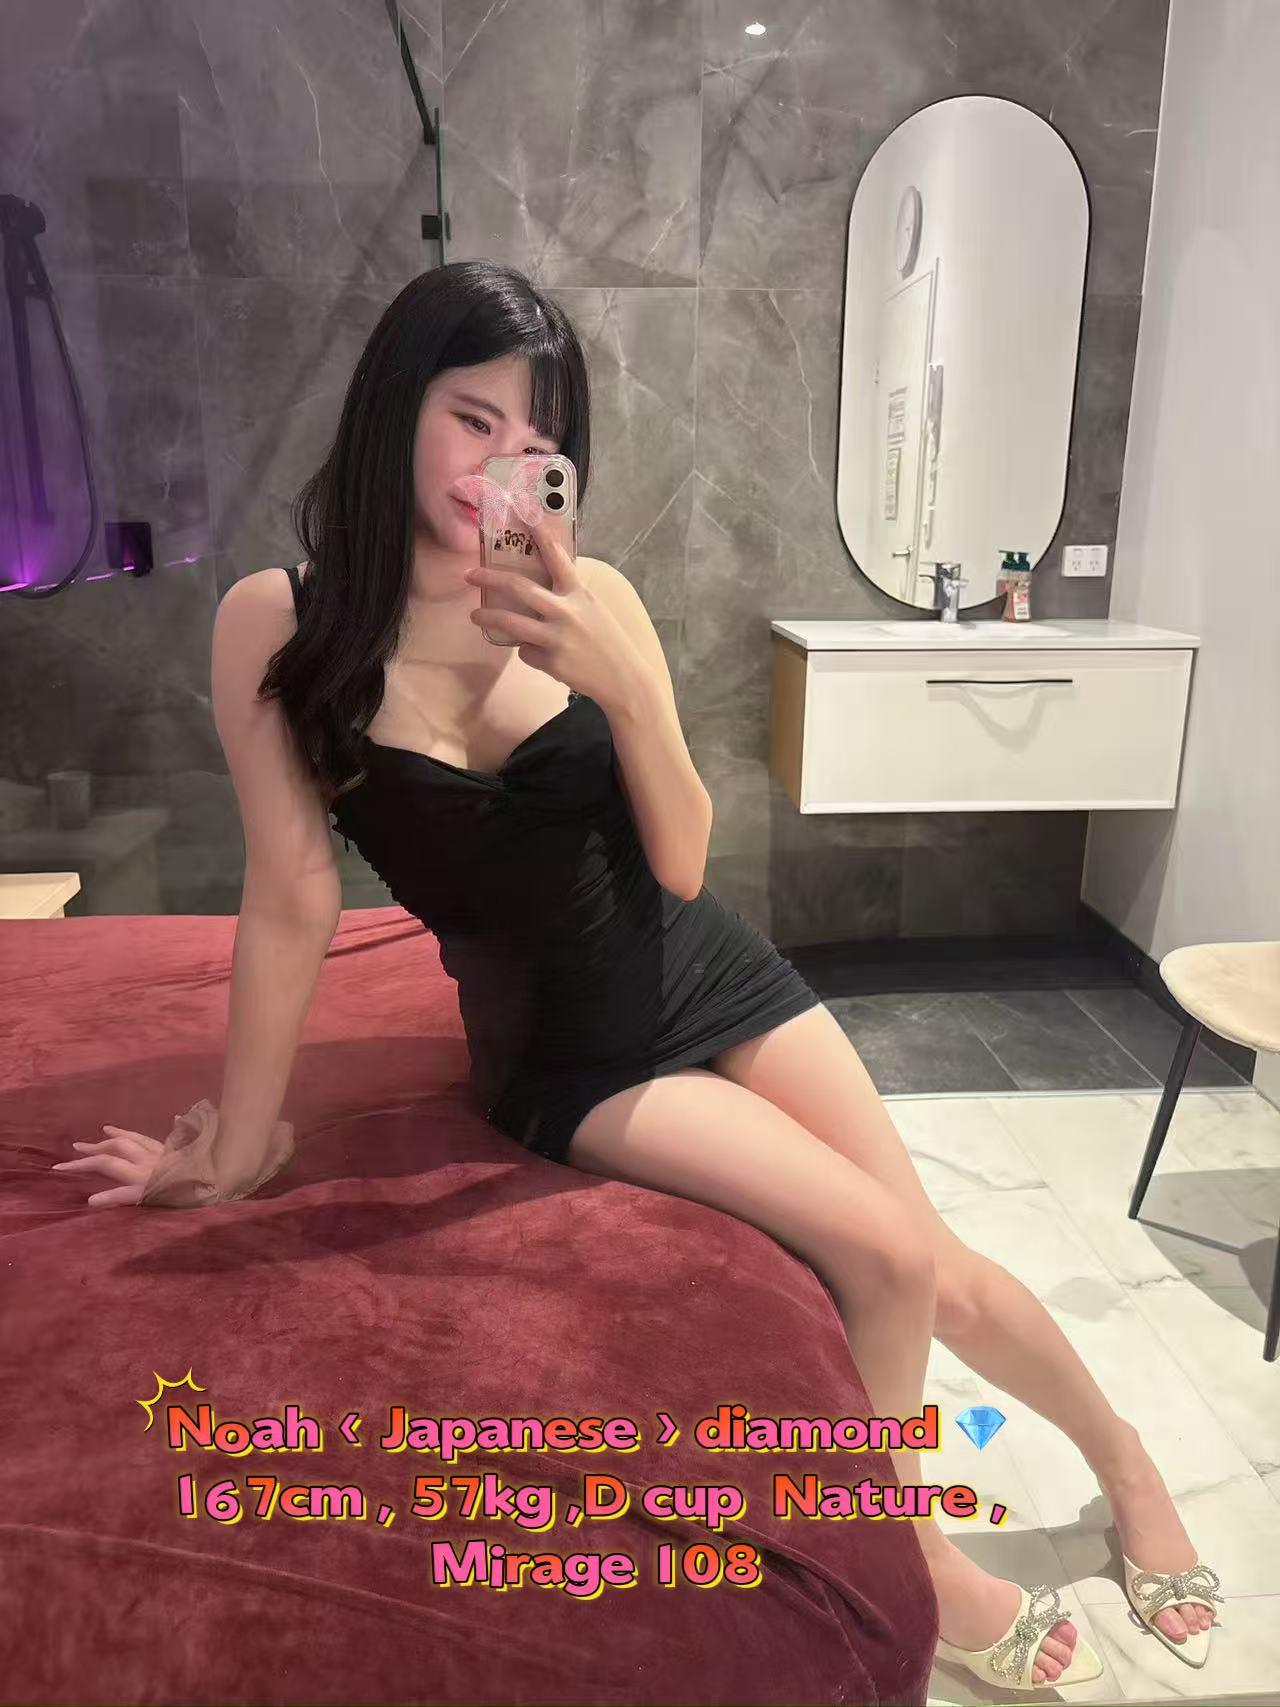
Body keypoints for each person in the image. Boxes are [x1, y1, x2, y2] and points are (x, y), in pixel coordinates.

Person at [52, 259, 1223, 1691]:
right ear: (395, 411)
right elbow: (291, 897)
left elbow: (681, 860)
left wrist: (626, 683)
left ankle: (1128, 1462)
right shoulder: (283, 624)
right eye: (471, 419)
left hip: (706, 966)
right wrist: (239, 1144)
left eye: (536, 439)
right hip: (573, 1054)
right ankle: (915, 1554)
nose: (501, 463)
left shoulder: (588, 593)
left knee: (946, 1268)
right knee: (889, 1259)